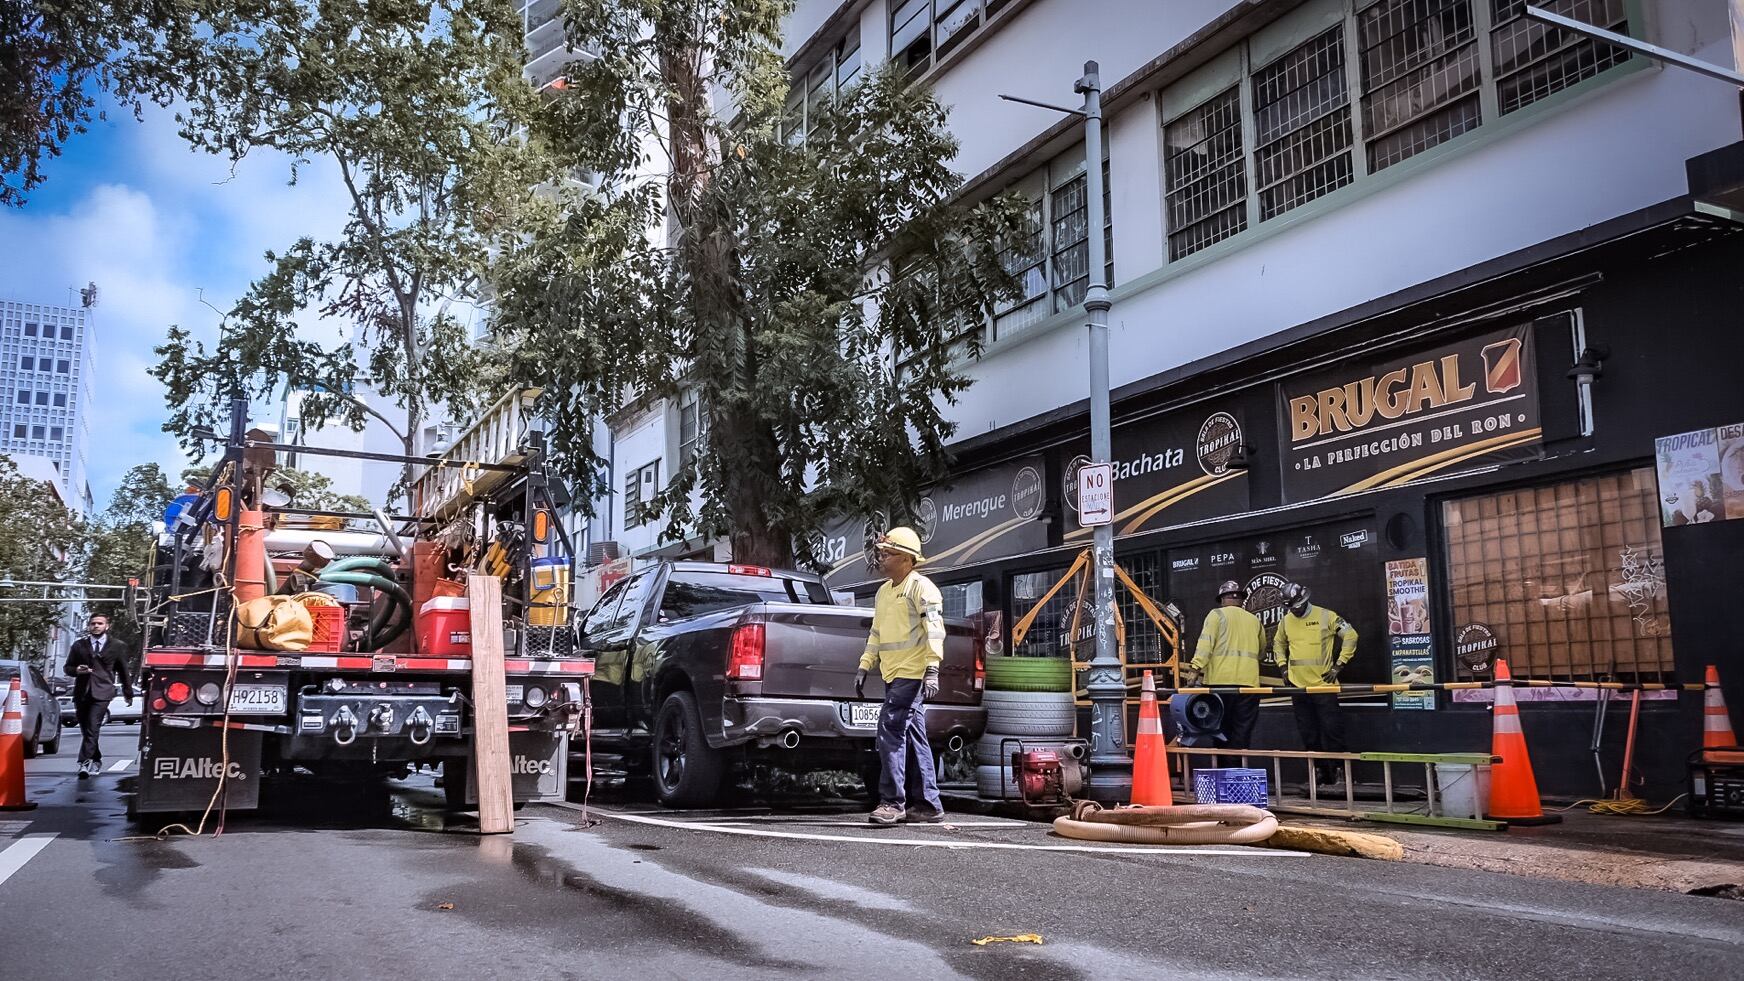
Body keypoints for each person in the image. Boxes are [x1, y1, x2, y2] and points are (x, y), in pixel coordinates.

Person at [855, 527, 946, 827]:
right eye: (881, 552)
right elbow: (877, 633)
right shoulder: (884, 592)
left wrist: (932, 669)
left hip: (912, 674)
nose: (881, 558)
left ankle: (892, 803)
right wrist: (865, 665)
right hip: (893, 674)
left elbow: (934, 630)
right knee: (914, 736)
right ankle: (928, 804)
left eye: (888, 553)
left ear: (907, 559)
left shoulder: (922, 589)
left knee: (890, 730)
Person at [1273, 584, 1357, 786]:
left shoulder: (1326, 616)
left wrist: (1339, 666)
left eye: (1298, 606)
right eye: (1291, 608)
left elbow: (1351, 635)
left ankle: (1339, 772)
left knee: (1332, 730)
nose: (1295, 610)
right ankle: (1319, 771)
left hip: (1323, 685)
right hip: (1298, 686)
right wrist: (1283, 667)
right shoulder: (1286, 621)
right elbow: (1278, 643)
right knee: (1308, 731)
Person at [1184, 580, 1265, 764]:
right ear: (1241, 600)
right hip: (1249, 686)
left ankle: (1223, 776)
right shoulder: (1254, 620)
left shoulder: (1216, 615)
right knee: (1242, 732)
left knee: (1220, 731)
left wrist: (1195, 669)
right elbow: (1261, 651)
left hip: (1219, 685)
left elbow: (1205, 645)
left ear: (1222, 600)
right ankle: (1239, 774)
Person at [63, 614, 131, 778]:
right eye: (93, 623)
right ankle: (97, 758)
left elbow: (123, 671)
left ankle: (84, 763)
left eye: (100, 623)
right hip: (82, 693)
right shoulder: (79, 645)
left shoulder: (117, 646)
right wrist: (76, 670)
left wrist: (128, 693)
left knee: (93, 727)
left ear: (107, 626)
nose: (96, 626)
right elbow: (67, 667)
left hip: (102, 693)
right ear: (89, 626)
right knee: (86, 729)